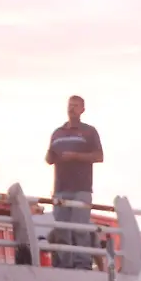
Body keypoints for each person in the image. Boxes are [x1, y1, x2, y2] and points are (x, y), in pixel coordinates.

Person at [44, 95, 103, 269]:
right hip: (61, 187)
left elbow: (99, 156)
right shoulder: (57, 132)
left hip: (81, 188)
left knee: (79, 227)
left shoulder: (89, 132)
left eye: (76, 106)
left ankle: (82, 263)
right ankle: (63, 264)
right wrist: (51, 156)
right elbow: (49, 157)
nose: (72, 108)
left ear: (82, 110)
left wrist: (75, 156)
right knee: (61, 228)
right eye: (70, 105)